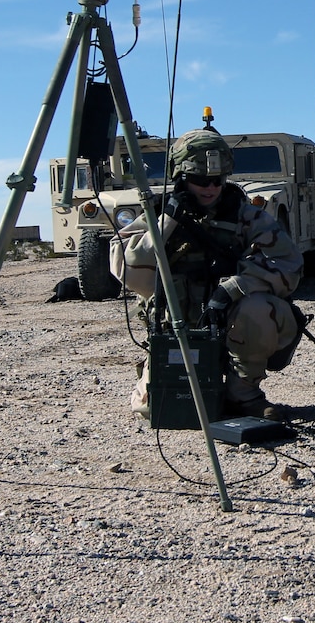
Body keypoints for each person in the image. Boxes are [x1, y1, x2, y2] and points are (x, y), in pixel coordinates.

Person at [115, 129, 303, 421]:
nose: (210, 187)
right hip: (176, 319)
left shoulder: (245, 215)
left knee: (259, 308)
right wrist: (168, 220)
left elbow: (289, 264)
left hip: (230, 321)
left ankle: (243, 394)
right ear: (180, 176)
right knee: (151, 409)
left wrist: (233, 288)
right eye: (200, 180)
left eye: (218, 180)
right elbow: (129, 265)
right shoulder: (160, 213)